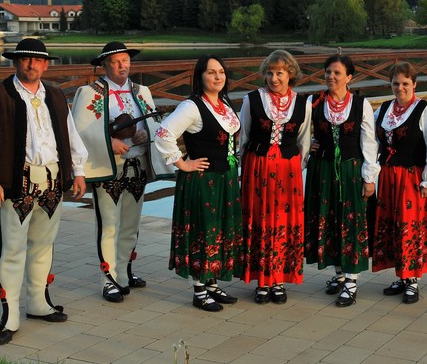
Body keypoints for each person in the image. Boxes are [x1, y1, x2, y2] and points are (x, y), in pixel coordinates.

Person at [0, 38, 87, 345]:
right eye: (25, 59)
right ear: (15, 62)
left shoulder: (58, 95)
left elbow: (70, 135)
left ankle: (38, 303)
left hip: (52, 179)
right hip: (16, 180)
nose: (31, 65)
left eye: (37, 60)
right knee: (12, 250)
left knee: (43, 245)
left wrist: (79, 171)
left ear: (46, 64)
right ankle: (10, 316)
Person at [72, 42, 173, 303]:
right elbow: (79, 131)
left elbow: (153, 124)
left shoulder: (142, 91)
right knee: (108, 226)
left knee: (130, 224)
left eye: (126, 60)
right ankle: (108, 279)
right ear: (104, 65)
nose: (122, 65)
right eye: (116, 61)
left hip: (137, 166)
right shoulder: (89, 92)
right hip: (109, 169)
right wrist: (110, 141)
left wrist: (144, 134)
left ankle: (125, 272)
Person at [153, 55, 242, 312]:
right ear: (200, 76)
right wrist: (182, 163)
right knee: (203, 231)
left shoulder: (224, 102)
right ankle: (199, 290)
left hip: (224, 179)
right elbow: (164, 133)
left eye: (221, 72)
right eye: (211, 72)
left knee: (219, 230)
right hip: (203, 181)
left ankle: (212, 283)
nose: (217, 77)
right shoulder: (192, 106)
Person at [237, 50, 311, 304]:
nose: (274, 78)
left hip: (287, 173)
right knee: (259, 220)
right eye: (269, 73)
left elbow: (303, 142)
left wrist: (292, 169)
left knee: (283, 222)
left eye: (280, 72)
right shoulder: (252, 100)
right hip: (256, 170)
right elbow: (243, 137)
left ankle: (278, 279)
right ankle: (261, 280)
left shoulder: (303, 104)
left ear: (291, 74)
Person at [304, 54, 379, 307]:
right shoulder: (313, 103)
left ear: (349, 77)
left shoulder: (360, 104)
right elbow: (299, 134)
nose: (331, 77)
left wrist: (370, 178)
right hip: (322, 171)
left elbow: (369, 143)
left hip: (350, 171)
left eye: (337, 73)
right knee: (329, 220)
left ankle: (351, 281)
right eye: (327, 72)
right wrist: (308, 148)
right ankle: (338, 274)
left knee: (352, 223)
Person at [371, 62, 427, 304]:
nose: (400, 88)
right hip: (388, 176)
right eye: (395, 83)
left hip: (412, 177)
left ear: (414, 84)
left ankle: (412, 280)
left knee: (410, 226)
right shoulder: (383, 109)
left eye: (405, 84)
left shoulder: (425, 109)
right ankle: (401, 276)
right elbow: (370, 140)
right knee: (393, 225)